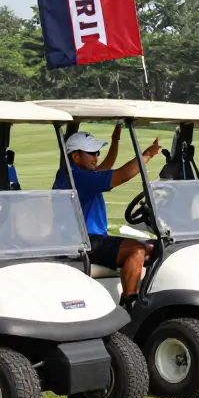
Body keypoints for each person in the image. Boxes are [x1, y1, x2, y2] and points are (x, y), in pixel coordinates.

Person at [52, 124, 161, 308]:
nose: (96, 157)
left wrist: (115, 141)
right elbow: (122, 175)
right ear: (76, 156)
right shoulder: (79, 178)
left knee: (157, 247)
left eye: (97, 153)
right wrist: (148, 153)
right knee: (136, 250)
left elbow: (106, 166)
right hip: (84, 242)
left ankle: (144, 293)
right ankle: (129, 305)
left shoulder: (73, 173)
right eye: (91, 153)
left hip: (89, 239)